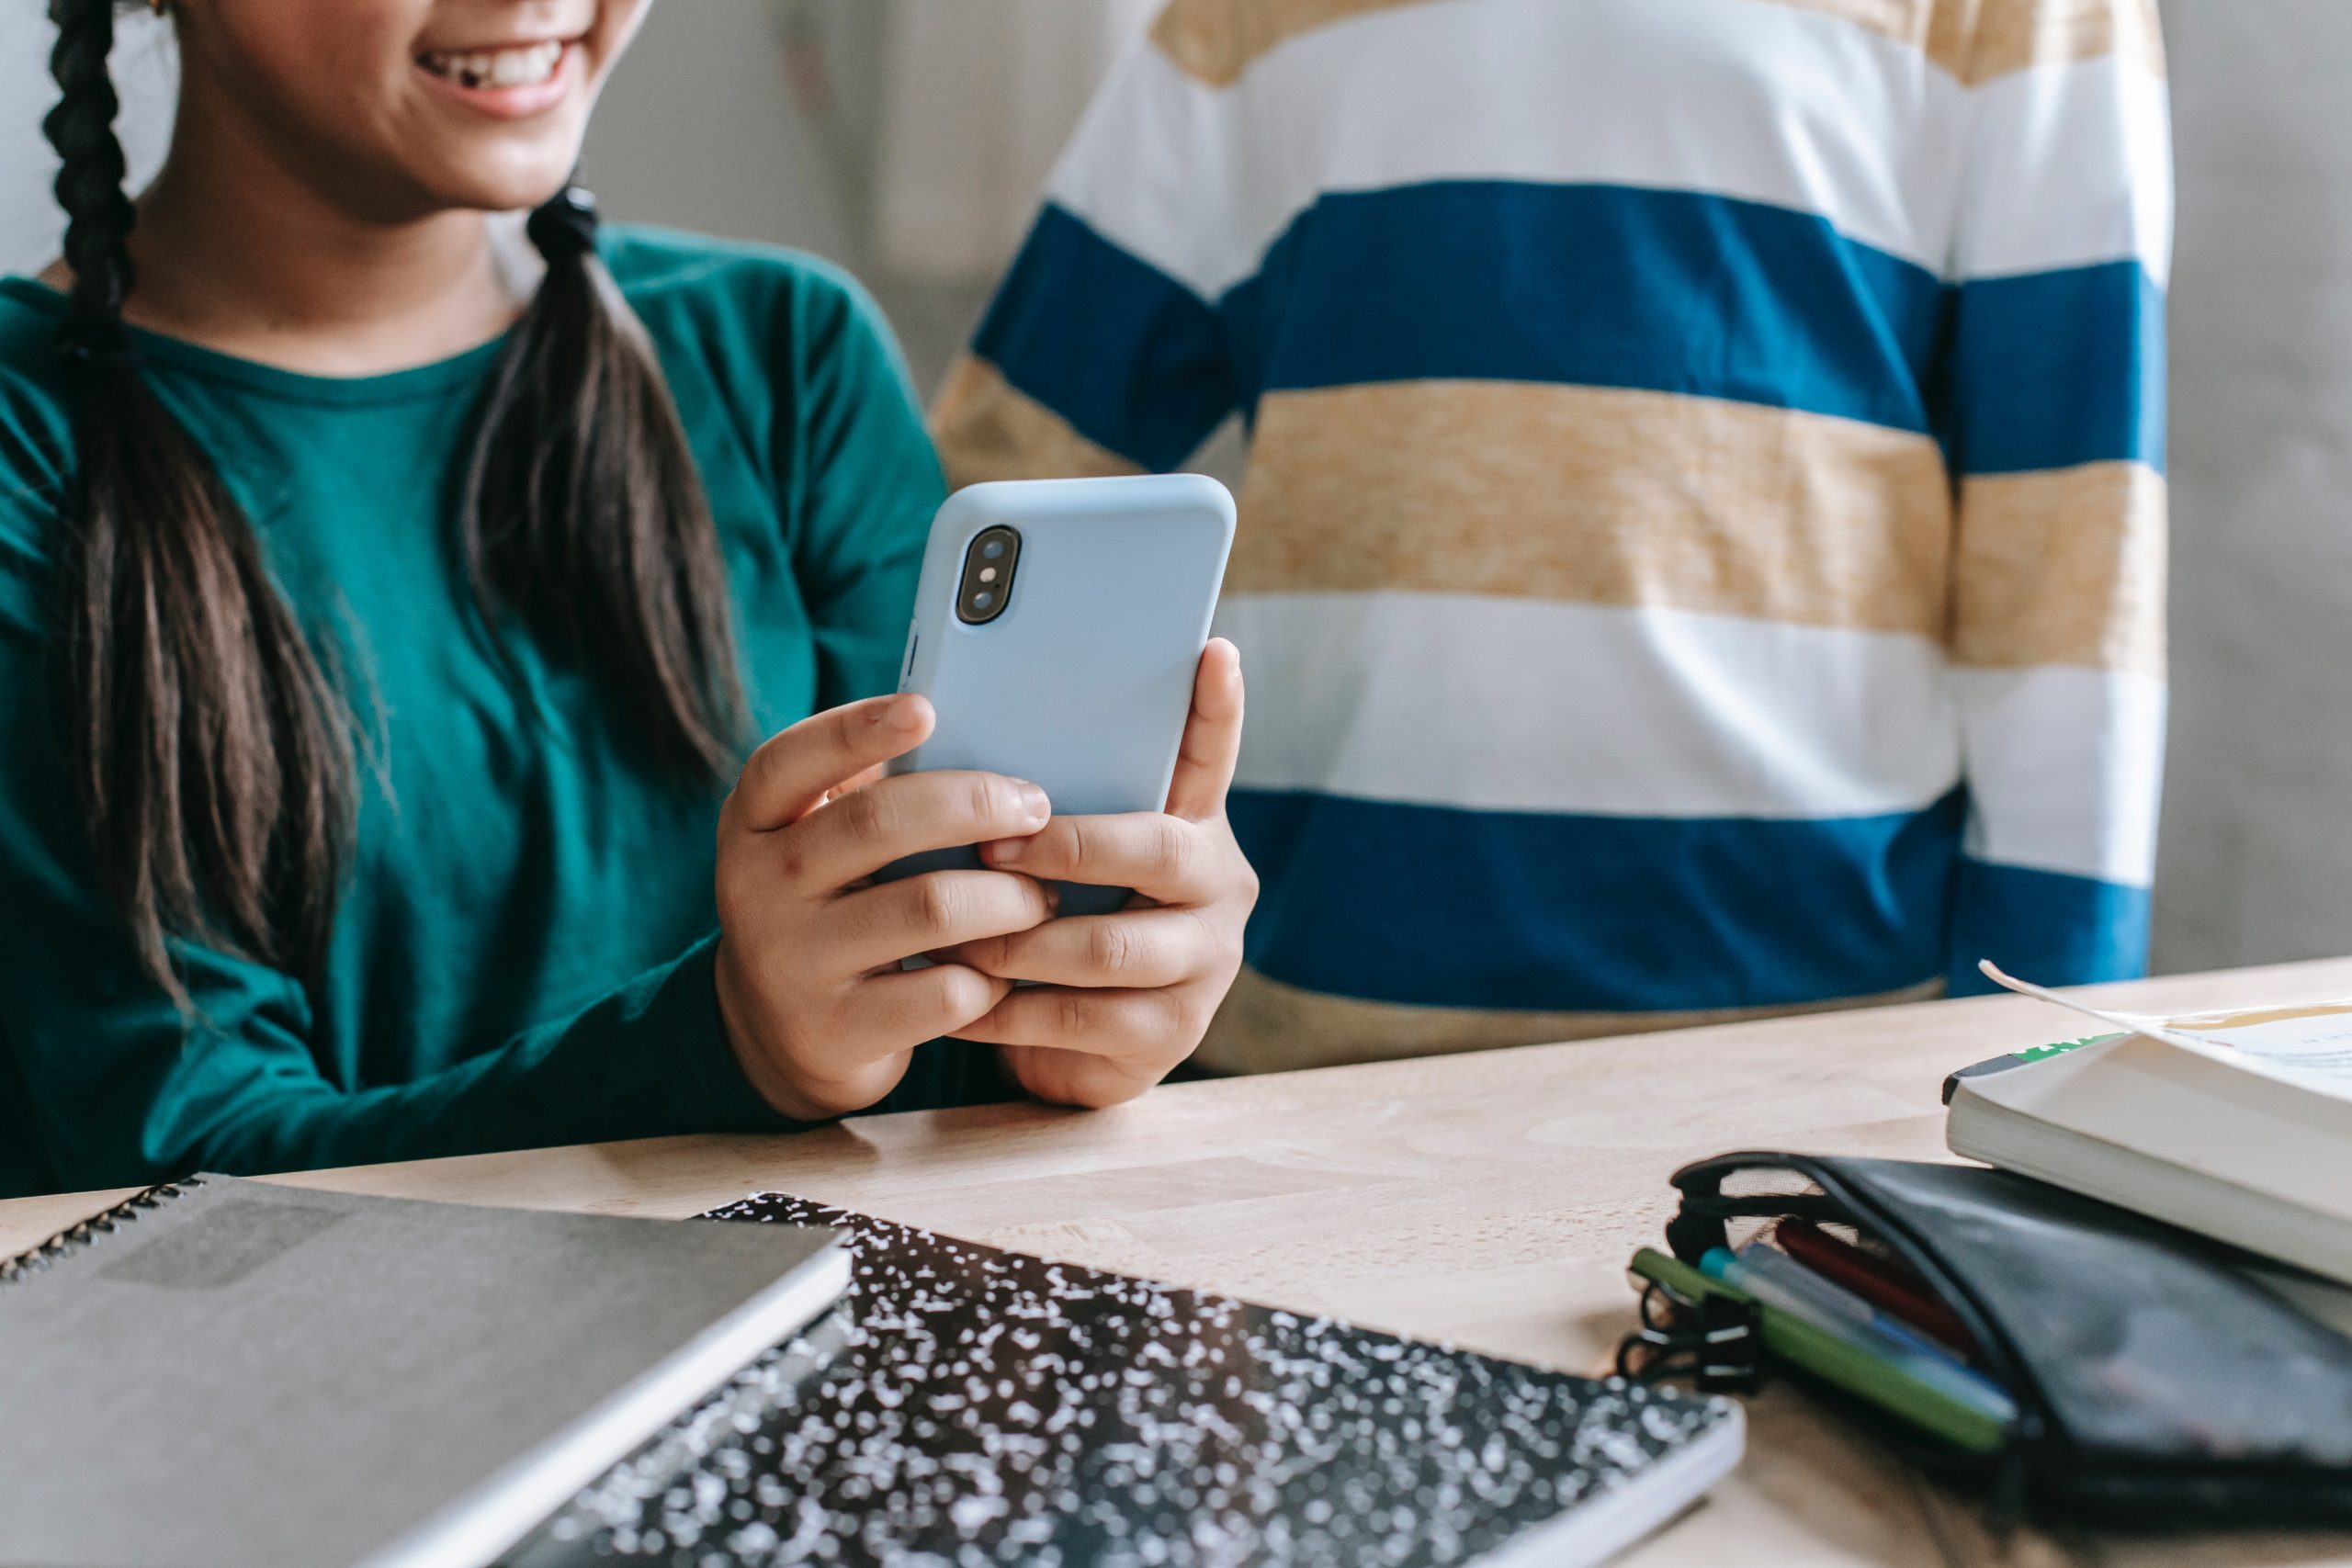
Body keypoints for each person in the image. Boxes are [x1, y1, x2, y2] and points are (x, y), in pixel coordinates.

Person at [0, 0, 1257, 1199]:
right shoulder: (29, 445)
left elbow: (919, 1032)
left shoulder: (786, 358)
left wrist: (1060, 1026)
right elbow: (175, 1169)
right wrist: (727, 1049)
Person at [934, 0, 2170, 1071]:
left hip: (1801, 1045)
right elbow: (1008, 472)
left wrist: (2052, 1053)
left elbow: (2072, 556)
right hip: (1298, 1033)